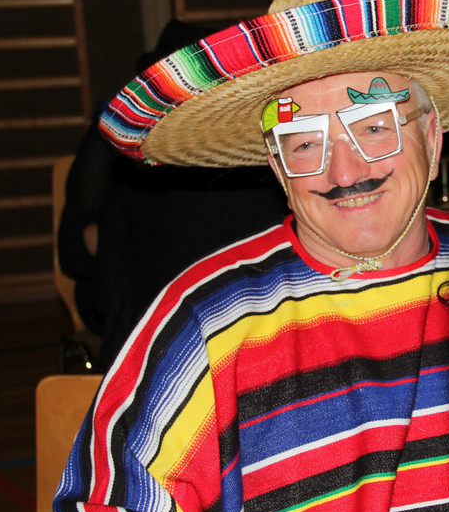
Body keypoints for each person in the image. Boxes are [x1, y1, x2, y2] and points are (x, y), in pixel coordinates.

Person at [53, 0, 449, 512]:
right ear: (277, 168)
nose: (344, 171)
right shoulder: (214, 322)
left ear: (431, 136)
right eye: (304, 143)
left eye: (373, 126)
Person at [58, 19, 289, 372]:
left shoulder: (267, 157)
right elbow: (77, 253)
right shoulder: (276, 163)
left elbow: (89, 271)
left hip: (154, 357)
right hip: (258, 352)